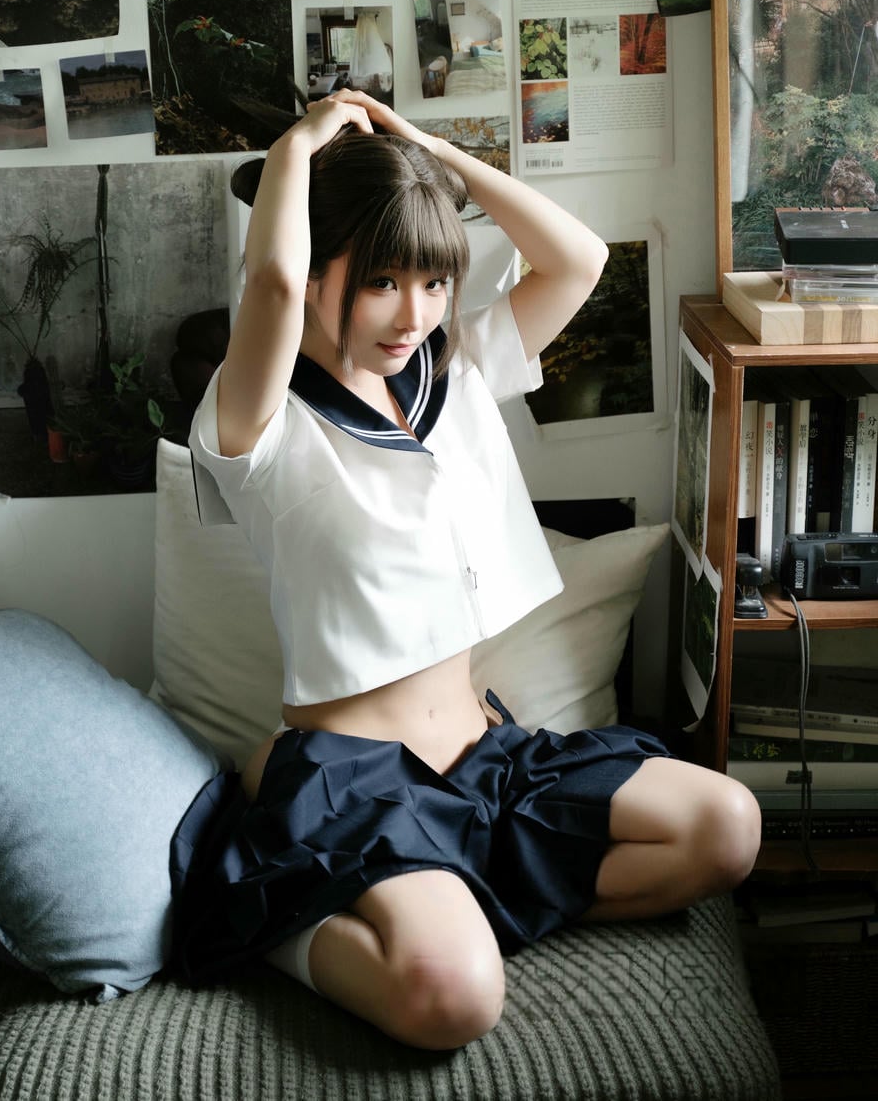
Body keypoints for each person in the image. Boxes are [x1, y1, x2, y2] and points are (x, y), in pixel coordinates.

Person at [173, 91, 761, 1051]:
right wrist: (293, 151)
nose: (414, 313)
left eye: (434, 281)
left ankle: (468, 898)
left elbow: (580, 260)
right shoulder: (258, 420)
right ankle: (275, 915)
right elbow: (270, 288)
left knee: (726, 829)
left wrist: (434, 155)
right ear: (316, 270)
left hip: (489, 758)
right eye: (381, 281)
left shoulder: (455, 369)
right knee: (456, 1002)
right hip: (358, 785)